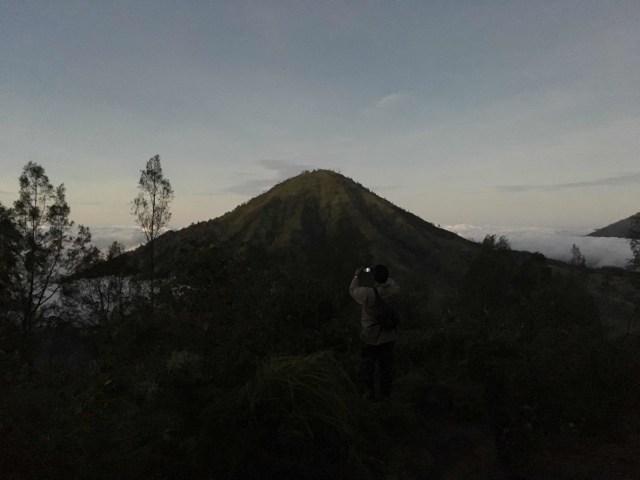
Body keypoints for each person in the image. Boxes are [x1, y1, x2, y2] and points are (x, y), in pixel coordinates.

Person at [349, 264, 400, 400]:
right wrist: (386, 276)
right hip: (388, 336)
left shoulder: (367, 294)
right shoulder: (394, 292)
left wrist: (356, 275)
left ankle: (369, 395)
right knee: (386, 369)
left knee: (368, 367)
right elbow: (392, 283)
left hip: (369, 336)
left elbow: (352, 290)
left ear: (374, 278)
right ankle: (385, 396)